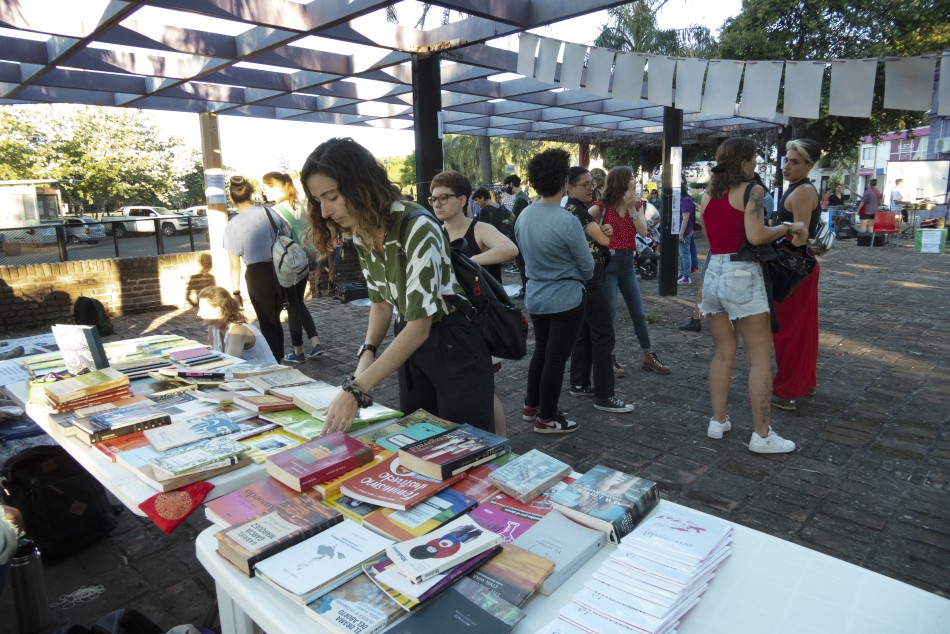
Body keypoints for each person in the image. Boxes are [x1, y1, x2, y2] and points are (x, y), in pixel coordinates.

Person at [301, 138, 494, 435]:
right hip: (411, 346)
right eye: (318, 201)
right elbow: (380, 303)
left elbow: (420, 325)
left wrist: (356, 389)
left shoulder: (417, 226)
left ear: (361, 185)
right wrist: (367, 351)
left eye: (332, 196)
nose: (325, 211)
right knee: (418, 436)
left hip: (454, 343)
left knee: (466, 444)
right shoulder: (363, 230)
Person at [699, 136, 806, 454]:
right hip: (743, 273)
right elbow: (756, 235)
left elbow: (712, 241)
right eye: (754, 159)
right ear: (744, 161)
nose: (756, 164)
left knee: (722, 353)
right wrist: (788, 228)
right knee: (759, 358)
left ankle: (717, 421)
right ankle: (762, 435)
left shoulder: (708, 195)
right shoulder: (753, 191)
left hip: (714, 273)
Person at [431, 171, 519, 434]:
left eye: (443, 198)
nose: (437, 204)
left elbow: (509, 249)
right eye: (433, 199)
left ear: (461, 200)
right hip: (447, 326)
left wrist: (466, 262)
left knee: (484, 392)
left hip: (479, 324)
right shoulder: (435, 233)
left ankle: (501, 444)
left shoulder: (478, 228)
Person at [516, 149, 593, 434]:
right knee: (556, 359)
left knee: (542, 351)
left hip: (536, 295)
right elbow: (587, 266)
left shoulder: (524, 215)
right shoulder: (567, 220)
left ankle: (531, 405)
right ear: (563, 181)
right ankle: (547, 417)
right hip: (566, 298)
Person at [564, 166, 635, 414]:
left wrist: (603, 231)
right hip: (590, 276)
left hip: (581, 276)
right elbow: (604, 240)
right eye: (584, 184)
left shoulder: (573, 210)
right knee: (603, 333)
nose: (590, 188)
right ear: (570, 188)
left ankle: (580, 382)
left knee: (584, 332)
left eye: (591, 183)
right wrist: (605, 231)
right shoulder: (578, 212)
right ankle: (605, 394)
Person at [594, 166, 671, 378]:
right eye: (632, 179)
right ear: (621, 181)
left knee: (638, 312)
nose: (635, 182)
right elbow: (581, 220)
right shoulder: (603, 205)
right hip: (609, 263)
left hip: (628, 263)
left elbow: (643, 231)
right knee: (610, 313)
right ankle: (607, 356)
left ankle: (648, 354)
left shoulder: (636, 205)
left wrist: (630, 209)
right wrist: (597, 231)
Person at [771, 138, 823, 412]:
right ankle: (802, 382)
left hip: (794, 267)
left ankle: (788, 390)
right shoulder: (799, 188)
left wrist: (772, 235)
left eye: (795, 162)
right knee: (800, 328)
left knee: (789, 330)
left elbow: (800, 236)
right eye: (786, 160)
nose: (787, 166)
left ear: (809, 165)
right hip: (798, 265)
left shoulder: (802, 191)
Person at [222, 175, 289, 362]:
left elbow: (234, 265)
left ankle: (273, 361)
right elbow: (287, 235)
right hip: (279, 268)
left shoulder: (232, 225)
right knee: (275, 319)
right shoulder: (269, 212)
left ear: (232, 198)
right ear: (252, 194)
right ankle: (279, 358)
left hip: (256, 274)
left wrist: (236, 292)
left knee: (267, 321)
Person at [262, 171, 324, 363]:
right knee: (299, 302)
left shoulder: (276, 210)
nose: (264, 192)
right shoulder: (299, 205)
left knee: (292, 305)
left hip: (289, 263)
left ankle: (298, 351)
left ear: (276, 188)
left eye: (266, 188)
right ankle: (315, 343)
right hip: (306, 259)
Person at [197, 285, 278, 365]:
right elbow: (214, 357)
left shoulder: (238, 331)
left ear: (218, 310)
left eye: (203, 309)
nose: (198, 314)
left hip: (268, 372)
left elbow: (229, 364)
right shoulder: (213, 328)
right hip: (247, 372)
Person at [504, 174, 531, 299]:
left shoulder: (520, 199)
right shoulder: (523, 196)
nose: (506, 188)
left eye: (506, 185)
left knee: (521, 263)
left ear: (511, 184)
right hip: (523, 232)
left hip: (518, 234)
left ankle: (526, 289)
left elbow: (513, 218)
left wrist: (502, 221)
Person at [677, 184, 697, 284]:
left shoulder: (685, 200)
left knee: (684, 254)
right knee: (682, 253)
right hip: (685, 230)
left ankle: (686, 276)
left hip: (685, 231)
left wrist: (681, 233)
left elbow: (685, 218)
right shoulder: (685, 199)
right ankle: (683, 274)